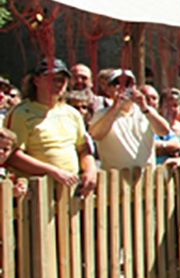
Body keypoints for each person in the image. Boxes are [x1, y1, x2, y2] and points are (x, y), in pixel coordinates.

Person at [5, 58, 98, 198]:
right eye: (52, 79)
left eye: (62, 79)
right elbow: (11, 155)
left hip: (70, 190)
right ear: (36, 80)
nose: (58, 83)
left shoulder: (72, 113)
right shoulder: (21, 113)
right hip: (36, 193)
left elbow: (83, 148)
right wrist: (52, 171)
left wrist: (90, 170)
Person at [89, 70, 171, 169]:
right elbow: (96, 135)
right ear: (108, 90)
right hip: (115, 180)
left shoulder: (147, 111)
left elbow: (164, 131)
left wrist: (144, 107)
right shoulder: (101, 114)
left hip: (146, 178)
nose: (123, 88)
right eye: (117, 84)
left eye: (128, 84)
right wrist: (116, 107)